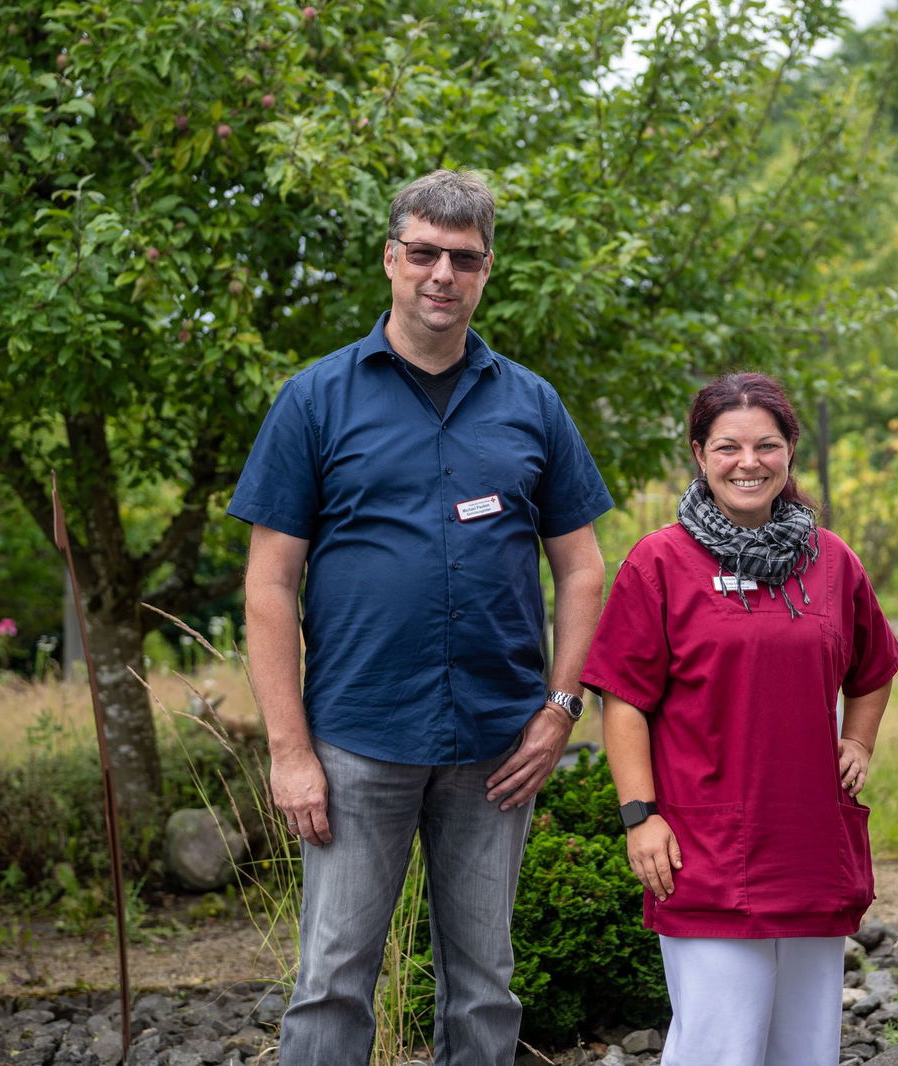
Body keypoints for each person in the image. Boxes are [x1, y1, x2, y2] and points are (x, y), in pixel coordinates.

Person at [229, 169, 613, 1066]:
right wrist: (289, 753)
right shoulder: (315, 401)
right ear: (391, 259)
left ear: (486, 272)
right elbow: (269, 587)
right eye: (425, 254)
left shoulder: (532, 404)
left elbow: (584, 568)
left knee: (484, 989)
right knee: (331, 982)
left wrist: (561, 709)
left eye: (464, 259)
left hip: (497, 746)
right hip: (359, 740)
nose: (443, 274)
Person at [581, 372, 898, 1066]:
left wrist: (859, 740)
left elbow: (874, 668)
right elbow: (624, 701)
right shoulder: (659, 563)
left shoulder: (831, 560)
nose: (748, 462)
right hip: (705, 853)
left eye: (766, 444)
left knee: (806, 1051)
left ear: (790, 451)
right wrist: (641, 817)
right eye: (728, 446)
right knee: (719, 1048)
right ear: (700, 455)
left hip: (810, 849)